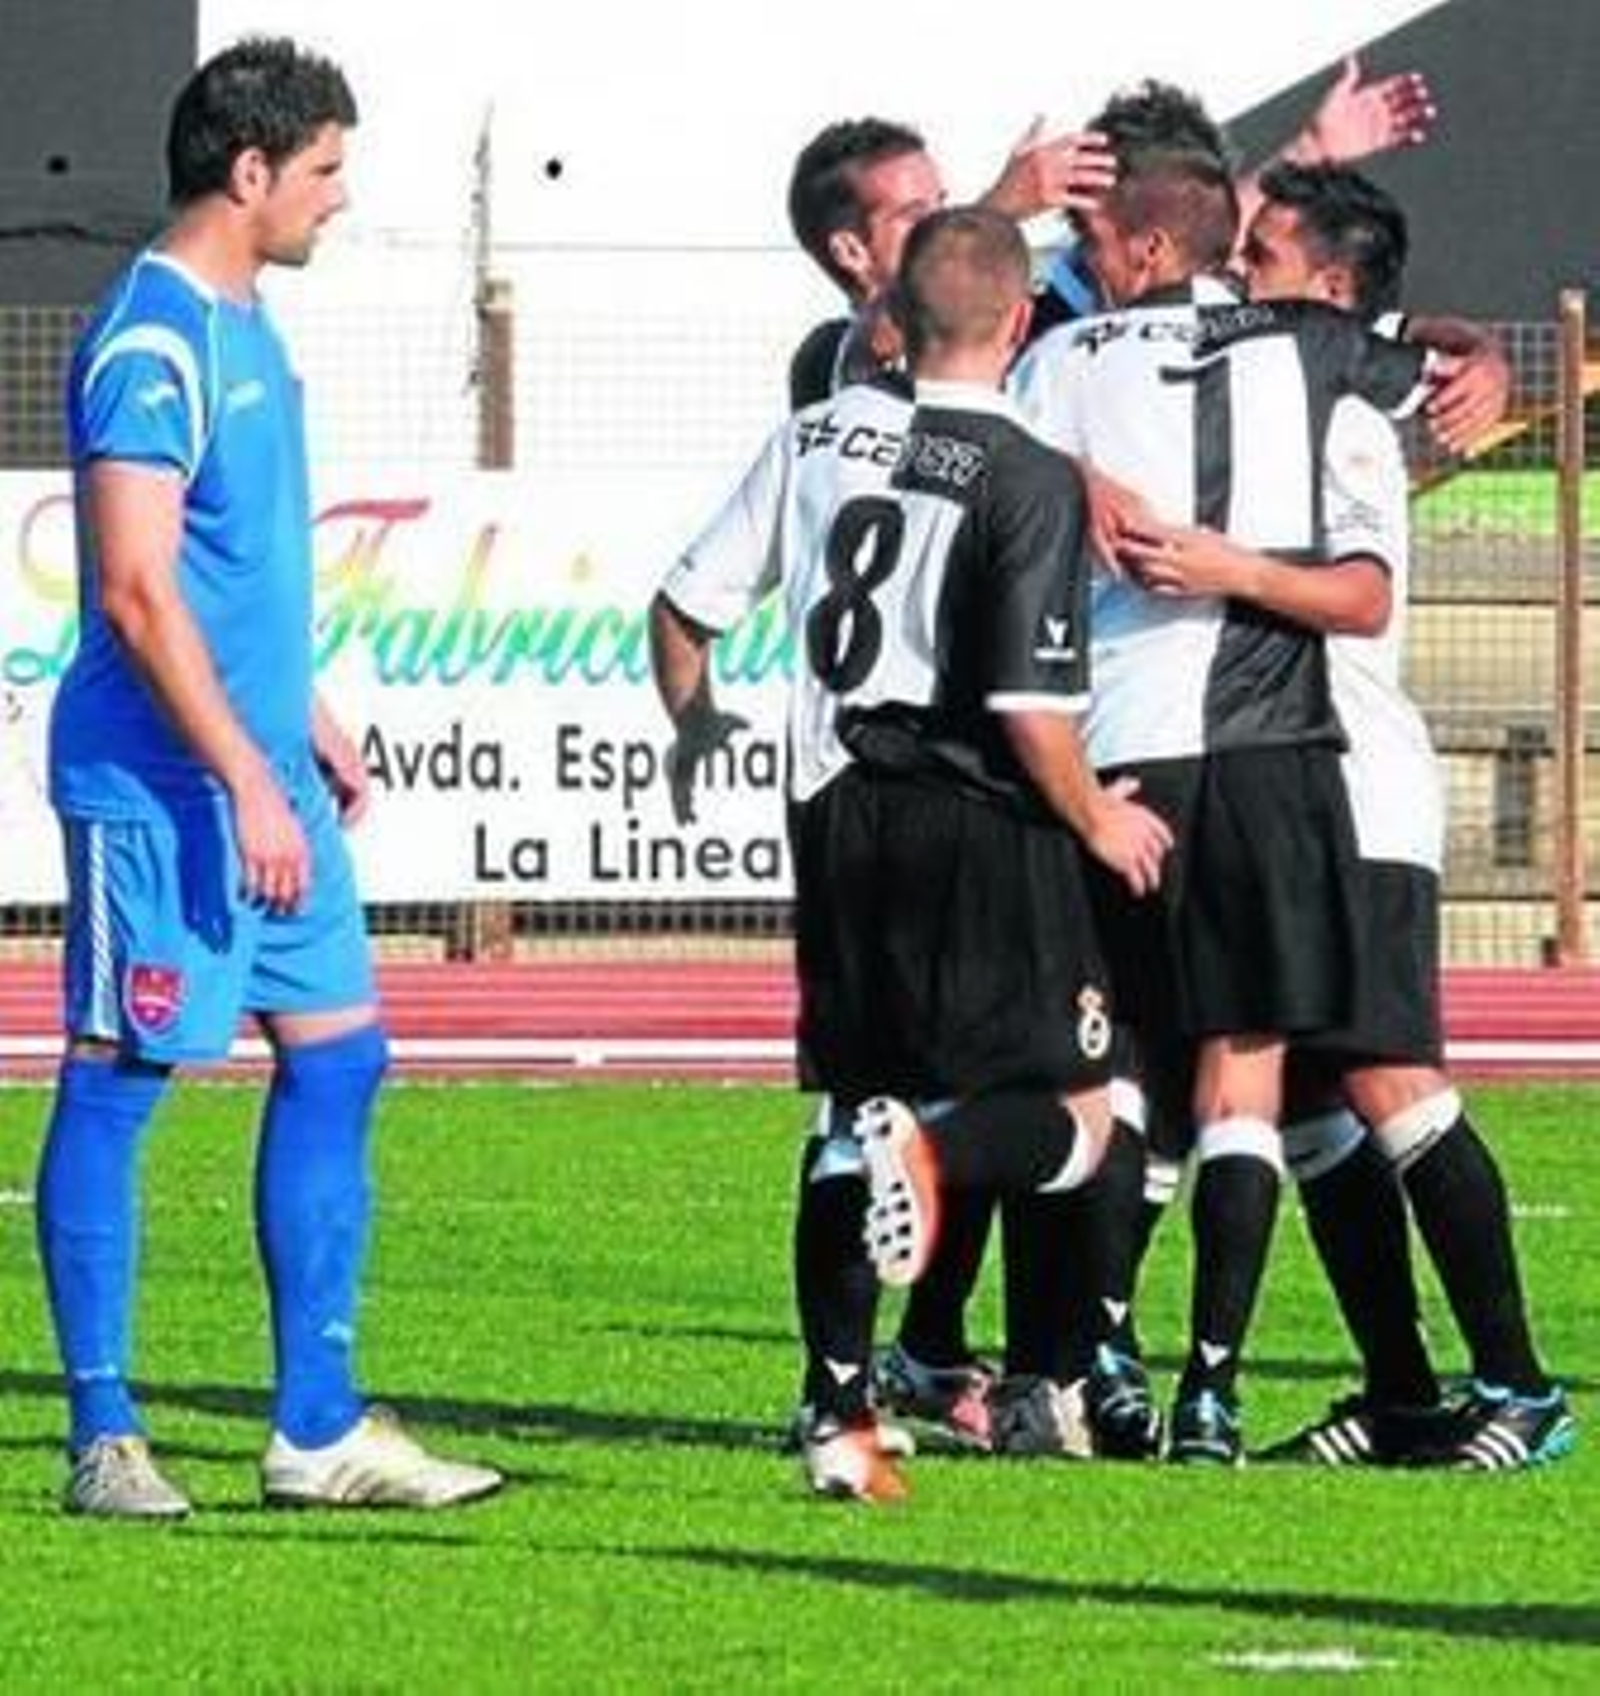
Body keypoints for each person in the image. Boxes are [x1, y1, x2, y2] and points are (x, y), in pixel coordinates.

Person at [38, 36, 503, 1518]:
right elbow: (132, 588)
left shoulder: (250, 331)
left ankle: (315, 1425)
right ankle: (104, 1436)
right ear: (249, 172)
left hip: (257, 773)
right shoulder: (154, 340)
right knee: (121, 1085)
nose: (339, 201)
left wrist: (297, 714)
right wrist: (237, 769)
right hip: (160, 789)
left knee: (342, 1057)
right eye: (324, 171)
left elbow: (231, 570)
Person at [651, 206, 1172, 1500]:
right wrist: (1096, 814)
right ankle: (933, 1170)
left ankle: (837, 1408)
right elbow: (1028, 706)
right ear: (1015, 323)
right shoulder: (1029, 472)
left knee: (850, 1111)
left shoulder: (815, 434)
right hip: (975, 816)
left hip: (834, 814)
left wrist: (694, 721)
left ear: (896, 319)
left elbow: (680, 609)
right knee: (1082, 1116)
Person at [1119, 161, 1575, 1470]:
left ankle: (1524, 1389)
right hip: (1283, 792)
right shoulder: (1292, 381)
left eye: (1258, 254)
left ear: (1324, 289)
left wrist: (1225, 569)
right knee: (1317, 1101)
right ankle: (1402, 1390)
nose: (1232, 271)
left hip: (1355, 787)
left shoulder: (1343, 414)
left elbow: (1363, 595)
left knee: (1388, 1078)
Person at [1010, 147, 1442, 1463]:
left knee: (1128, 1066)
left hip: (1116, 750)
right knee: (1249, 1071)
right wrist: (1468, 351)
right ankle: (1213, 1387)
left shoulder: (1063, 361)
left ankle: (1098, 1364)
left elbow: (983, 453)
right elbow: (1409, 364)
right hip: (1270, 754)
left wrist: (1079, 488)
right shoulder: (1307, 353)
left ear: (1136, 251)